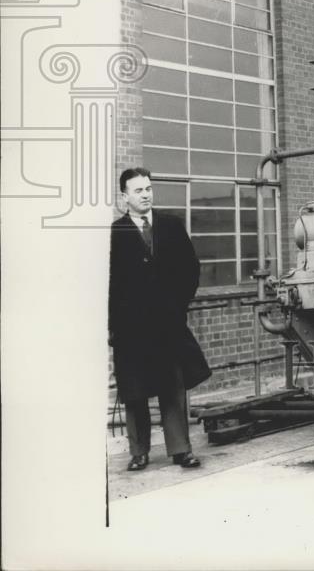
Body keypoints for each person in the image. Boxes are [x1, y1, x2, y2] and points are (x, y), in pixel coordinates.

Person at [108, 168, 211, 471]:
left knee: (172, 387)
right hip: (131, 329)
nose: (146, 194)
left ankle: (181, 450)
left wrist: (177, 306)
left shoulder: (171, 226)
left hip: (168, 325)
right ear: (124, 197)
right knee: (134, 391)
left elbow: (191, 269)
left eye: (148, 188)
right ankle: (139, 452)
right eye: (138, 190)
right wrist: (114, 325)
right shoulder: (115, 233)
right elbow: (108, 283)